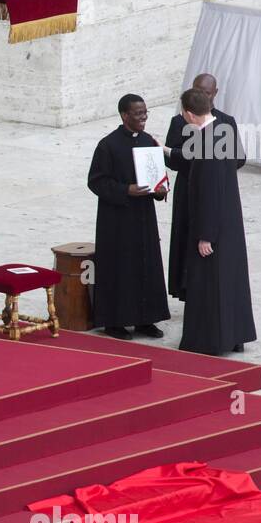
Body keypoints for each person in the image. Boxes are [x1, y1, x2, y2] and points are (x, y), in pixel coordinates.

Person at [176, 88, 257, 355]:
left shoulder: (207, 144)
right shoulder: (224, 132)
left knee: (209, 286)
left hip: (214, 227)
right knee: (230, 282)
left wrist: (205, 235)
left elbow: (210, 192)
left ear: (189, 114)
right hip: (229, 221)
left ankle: (209, 340)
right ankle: (233, 336)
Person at [87, 95, 170, 340]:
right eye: (138, 113)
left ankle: (146, 319)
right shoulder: (108, 145)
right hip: (117, 219)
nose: (143, 117)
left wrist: (161, 190)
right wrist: (126, 190)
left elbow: (157, 175)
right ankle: (114, 322)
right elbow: (96, 181)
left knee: (146, 264)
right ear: (125, 115)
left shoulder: (148, 142)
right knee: (120, 268)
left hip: (143, 217)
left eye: (145, 113)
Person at [163, 73, 238, 301]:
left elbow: (239, 158)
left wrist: (208, 163)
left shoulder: (225, 122)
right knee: (185, 235)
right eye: (197, 91)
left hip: (214, 189)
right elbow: (170, 160)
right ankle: (184, 288)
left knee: (208, 239)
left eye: (205, 92)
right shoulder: (179, 121)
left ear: (214, 93)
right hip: (188, 187)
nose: (201, 96)